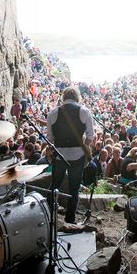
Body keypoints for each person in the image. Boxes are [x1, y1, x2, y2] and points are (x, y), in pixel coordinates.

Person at [46, 86, 95, 224]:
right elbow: (90, 138)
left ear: (63, 97)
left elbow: (50, 138)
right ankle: (70, 219)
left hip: (59, 155)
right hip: (77, 155)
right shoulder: (84, 111)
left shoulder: (53, 112)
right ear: (77, 97)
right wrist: (81, 142)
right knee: (74, 188)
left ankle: (48, 215)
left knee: (55, 185)